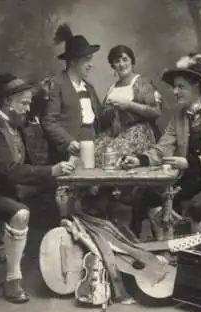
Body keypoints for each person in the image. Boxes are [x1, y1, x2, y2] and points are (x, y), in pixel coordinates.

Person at [0, 69, 75, 304]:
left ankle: (57, 262)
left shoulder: (11, 121)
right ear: (8, 103)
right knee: (21, 213)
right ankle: (13, 280)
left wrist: (53, 177)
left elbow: (24, 168)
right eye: (24, 103)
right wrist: (51, 171)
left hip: (7, 188)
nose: (27, 108)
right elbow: (11, 170)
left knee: (57, 194)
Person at [120, 53, 201, 238]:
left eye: (181, 86)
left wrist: (190, 163)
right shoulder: (179, 116)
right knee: (146, 197)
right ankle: (163, 249)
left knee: (197, 205)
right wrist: (139, 159)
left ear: (196, 86)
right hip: (191, 180)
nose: (175, 91)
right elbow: (163, 147)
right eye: (174, 87)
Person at [87, 45, 164, 233]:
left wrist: (127, 105)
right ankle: (99, 203)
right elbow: (104, 120)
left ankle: (109, 198)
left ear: (132, 61)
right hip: (115, 133)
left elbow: (155, 111)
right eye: (116, 61)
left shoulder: (141, 82)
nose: (121, 64)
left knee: (111, 153)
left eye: (124, 59)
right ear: (112, 65)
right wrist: (107, 113)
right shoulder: (113, 87)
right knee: (94, 152)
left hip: (138, 132)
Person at [36, 23, 102, 164]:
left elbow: (100, 119)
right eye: (87, 60)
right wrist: (68, 142)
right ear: (73, 62)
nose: (91, 64)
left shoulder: (89, 88)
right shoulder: (57, 84)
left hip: (92, 149)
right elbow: (49, 121)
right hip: (68, 154)